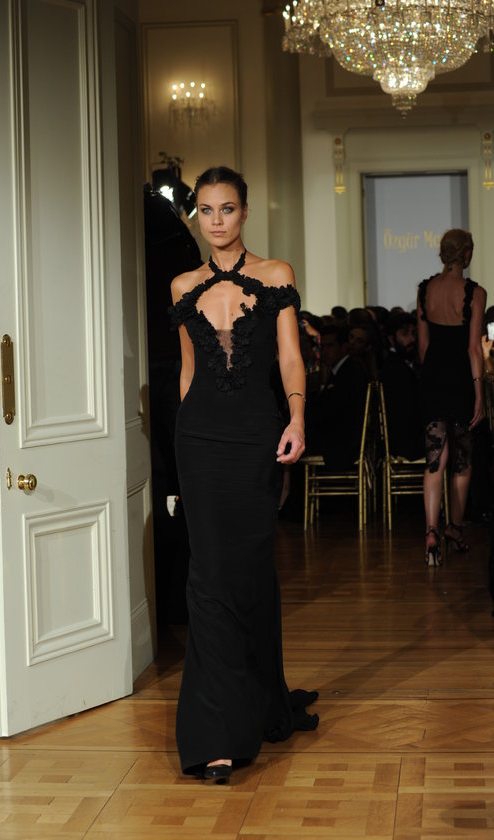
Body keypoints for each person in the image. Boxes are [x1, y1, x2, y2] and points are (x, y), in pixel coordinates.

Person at [170, 166, 319, 784]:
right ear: (197, 216)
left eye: (226, 209)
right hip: (199, 441)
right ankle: (214, 736)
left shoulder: (277, 274)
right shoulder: (182, 285)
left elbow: (290, 356)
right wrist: (180, 453)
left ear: (245, 212)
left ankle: (261, 697)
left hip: (257, 436)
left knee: (251, 570)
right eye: (205, 210)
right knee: (208, 577)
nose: (216, 221)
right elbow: (187, 373)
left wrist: (297, 419)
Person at [417, 228, 486, 566]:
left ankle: (431, 532)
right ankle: (454, 528)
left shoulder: (425, 289)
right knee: (462, 459)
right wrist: (479, 393)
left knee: (435, 458)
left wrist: (430, 377)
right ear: (467, 254)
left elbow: (423, 345)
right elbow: (474, 348)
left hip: (432, 377)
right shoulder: (475, 292)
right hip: (460, 378)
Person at [306, 324, 368, 469]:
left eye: (330, 346)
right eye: (322, 347)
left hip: (342, 443)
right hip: (337, 438)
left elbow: (331, 410)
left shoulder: (350, 372)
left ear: (344, 347)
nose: (325, 352)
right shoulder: (339, 371)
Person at [381, 312, 424, 461]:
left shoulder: (404, 364)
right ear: (391, 339)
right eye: (405, 334)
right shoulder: (395, 370)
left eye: (413, 333)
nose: (412, 339)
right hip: (406, 445)